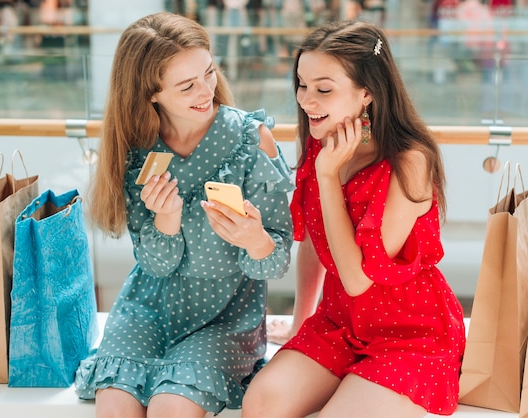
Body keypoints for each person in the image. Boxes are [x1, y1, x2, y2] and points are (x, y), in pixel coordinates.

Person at [74, 12, 294, 418]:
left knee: (172, 407)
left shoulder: (251, 139)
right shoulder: (138, 151)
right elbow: (155, 267)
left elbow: (278, 261)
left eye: (208, 73)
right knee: (114, 406)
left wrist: (255, 240)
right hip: (148, 308)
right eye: (186, 85)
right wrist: (166, 220)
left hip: (226, 315)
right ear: (151, 94)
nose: (206, 90)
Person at [242, 20, 466, 417]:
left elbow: (359, 279)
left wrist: (329, 177)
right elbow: (313, 241)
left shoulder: (409, 162)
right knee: (260, 404)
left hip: (410, 333)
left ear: (367, 93)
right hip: (340, 323)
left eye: (324, 89)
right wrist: (299, 323)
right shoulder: (321, 140)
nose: (307, 100)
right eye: (302, 84)